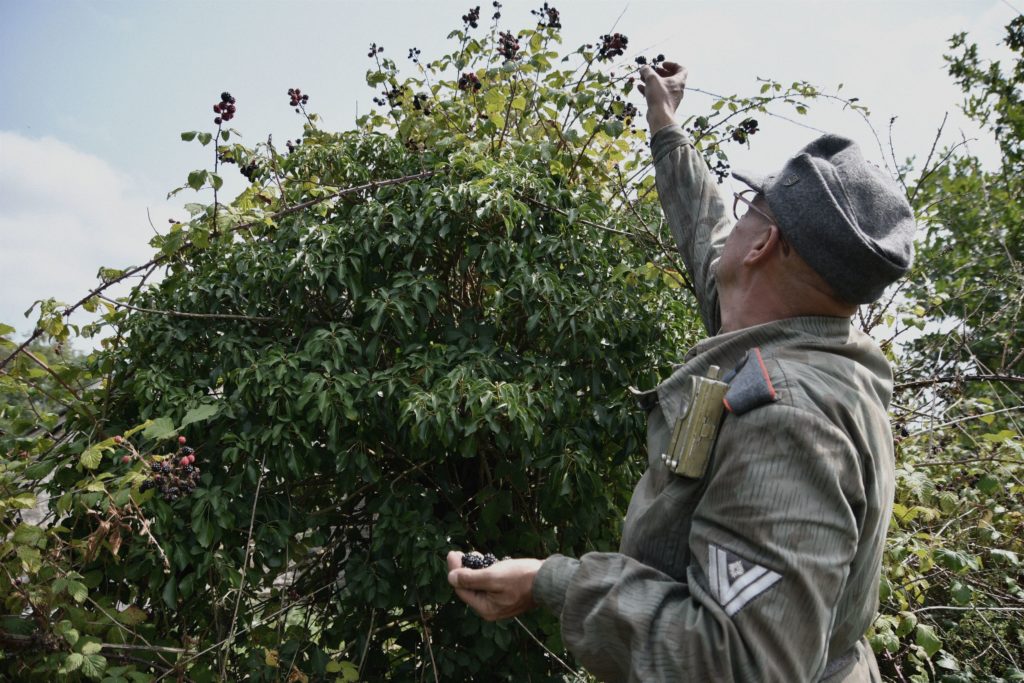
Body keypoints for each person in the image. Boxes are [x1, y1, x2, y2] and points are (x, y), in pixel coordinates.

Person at [446, 61, 915, 682]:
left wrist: (551, 582)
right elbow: (705, 229)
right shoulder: (780, 336)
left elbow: (740, 665)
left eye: (749, 207)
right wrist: (664, 121)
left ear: (762, 247)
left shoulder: (788, 421)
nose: (733, 221)